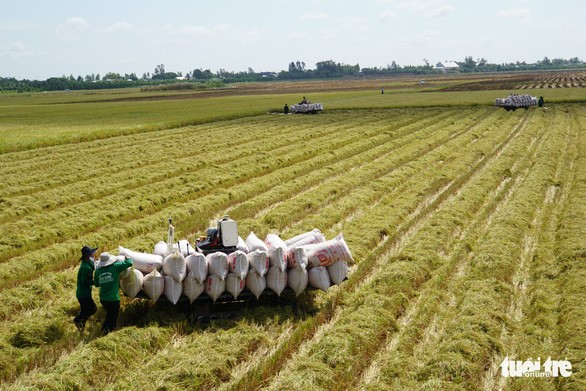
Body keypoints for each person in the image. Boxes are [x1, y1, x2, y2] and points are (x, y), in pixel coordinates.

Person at [94, 252, 133, 335]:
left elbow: (96, 284)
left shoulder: (98, 271)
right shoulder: (115, 267)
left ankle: (104, 331)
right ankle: (109, 333)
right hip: (113, 299)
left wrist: (105, 280)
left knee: (109, 315)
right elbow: (130, 263)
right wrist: (127, 257)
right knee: (112, 318)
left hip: (103, 299)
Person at [74, 245, 98, 332]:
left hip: (83, 293)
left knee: (84, 311)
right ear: (88, 256)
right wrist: (96, 282)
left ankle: (81, 328)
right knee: (92, 309)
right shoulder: (85, 267)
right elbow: (85, 281)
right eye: (92, 254)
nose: (93, 255)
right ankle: (77, 320)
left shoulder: (87, 263)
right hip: (83, 294)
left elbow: (93, 265)